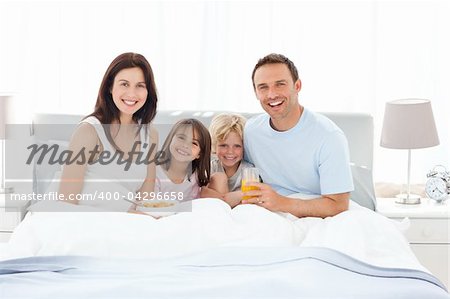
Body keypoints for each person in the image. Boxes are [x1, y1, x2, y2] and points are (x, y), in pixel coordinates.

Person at [243, 53, 354, 218]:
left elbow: (338, 204)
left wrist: (281, 203)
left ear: (297, 86)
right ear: (255, 92)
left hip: (317, 216)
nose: (272, 94)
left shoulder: (329, 136)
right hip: (265, 214)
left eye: (280, 84)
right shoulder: (251, 130)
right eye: (263, 87)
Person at [57, 52, 159, 211]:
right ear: (110, 87)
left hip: (129, 224)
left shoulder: (150, 135)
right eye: (124, 84)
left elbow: (145, 199)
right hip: (86, 221)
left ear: (148, 91)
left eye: (140, 85)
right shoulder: (89, 131)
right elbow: (66, 202)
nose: (132, 93)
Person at [154, 118, 213, 201]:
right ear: (171, 139)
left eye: (194, 143)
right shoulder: (154, 174)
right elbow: (148, 207)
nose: (185, 145)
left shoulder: (196, 177)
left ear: (199, 154)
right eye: (181, 138)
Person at [207, 113, 254, 207]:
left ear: (245, 147)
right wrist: (224, 199)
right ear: (214, 145)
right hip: (216, 210)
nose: (230, 152)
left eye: (237, 146)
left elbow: (254, 196)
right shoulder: (210, 168)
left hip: (240, 212)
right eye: (223, 145)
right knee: (219, 178)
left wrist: (240, 195)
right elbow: (199, 192)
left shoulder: (249, 170)